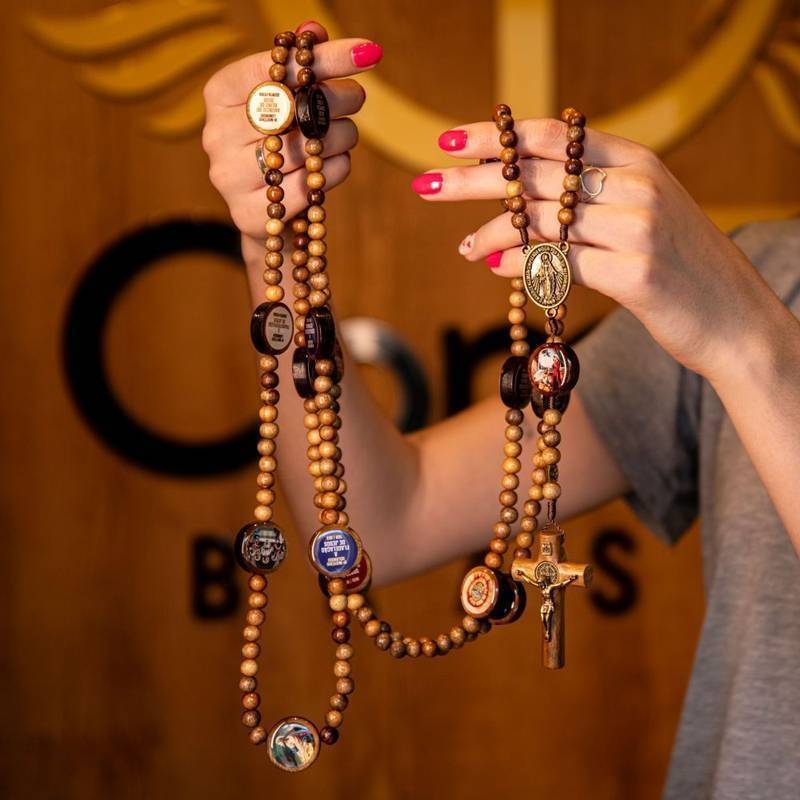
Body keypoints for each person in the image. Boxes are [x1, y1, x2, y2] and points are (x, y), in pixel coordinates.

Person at [201, 21, 800, 800]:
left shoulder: (745, 307)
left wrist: (753, 349)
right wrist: (273, 245)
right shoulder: (767, 275)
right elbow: (384, 522)